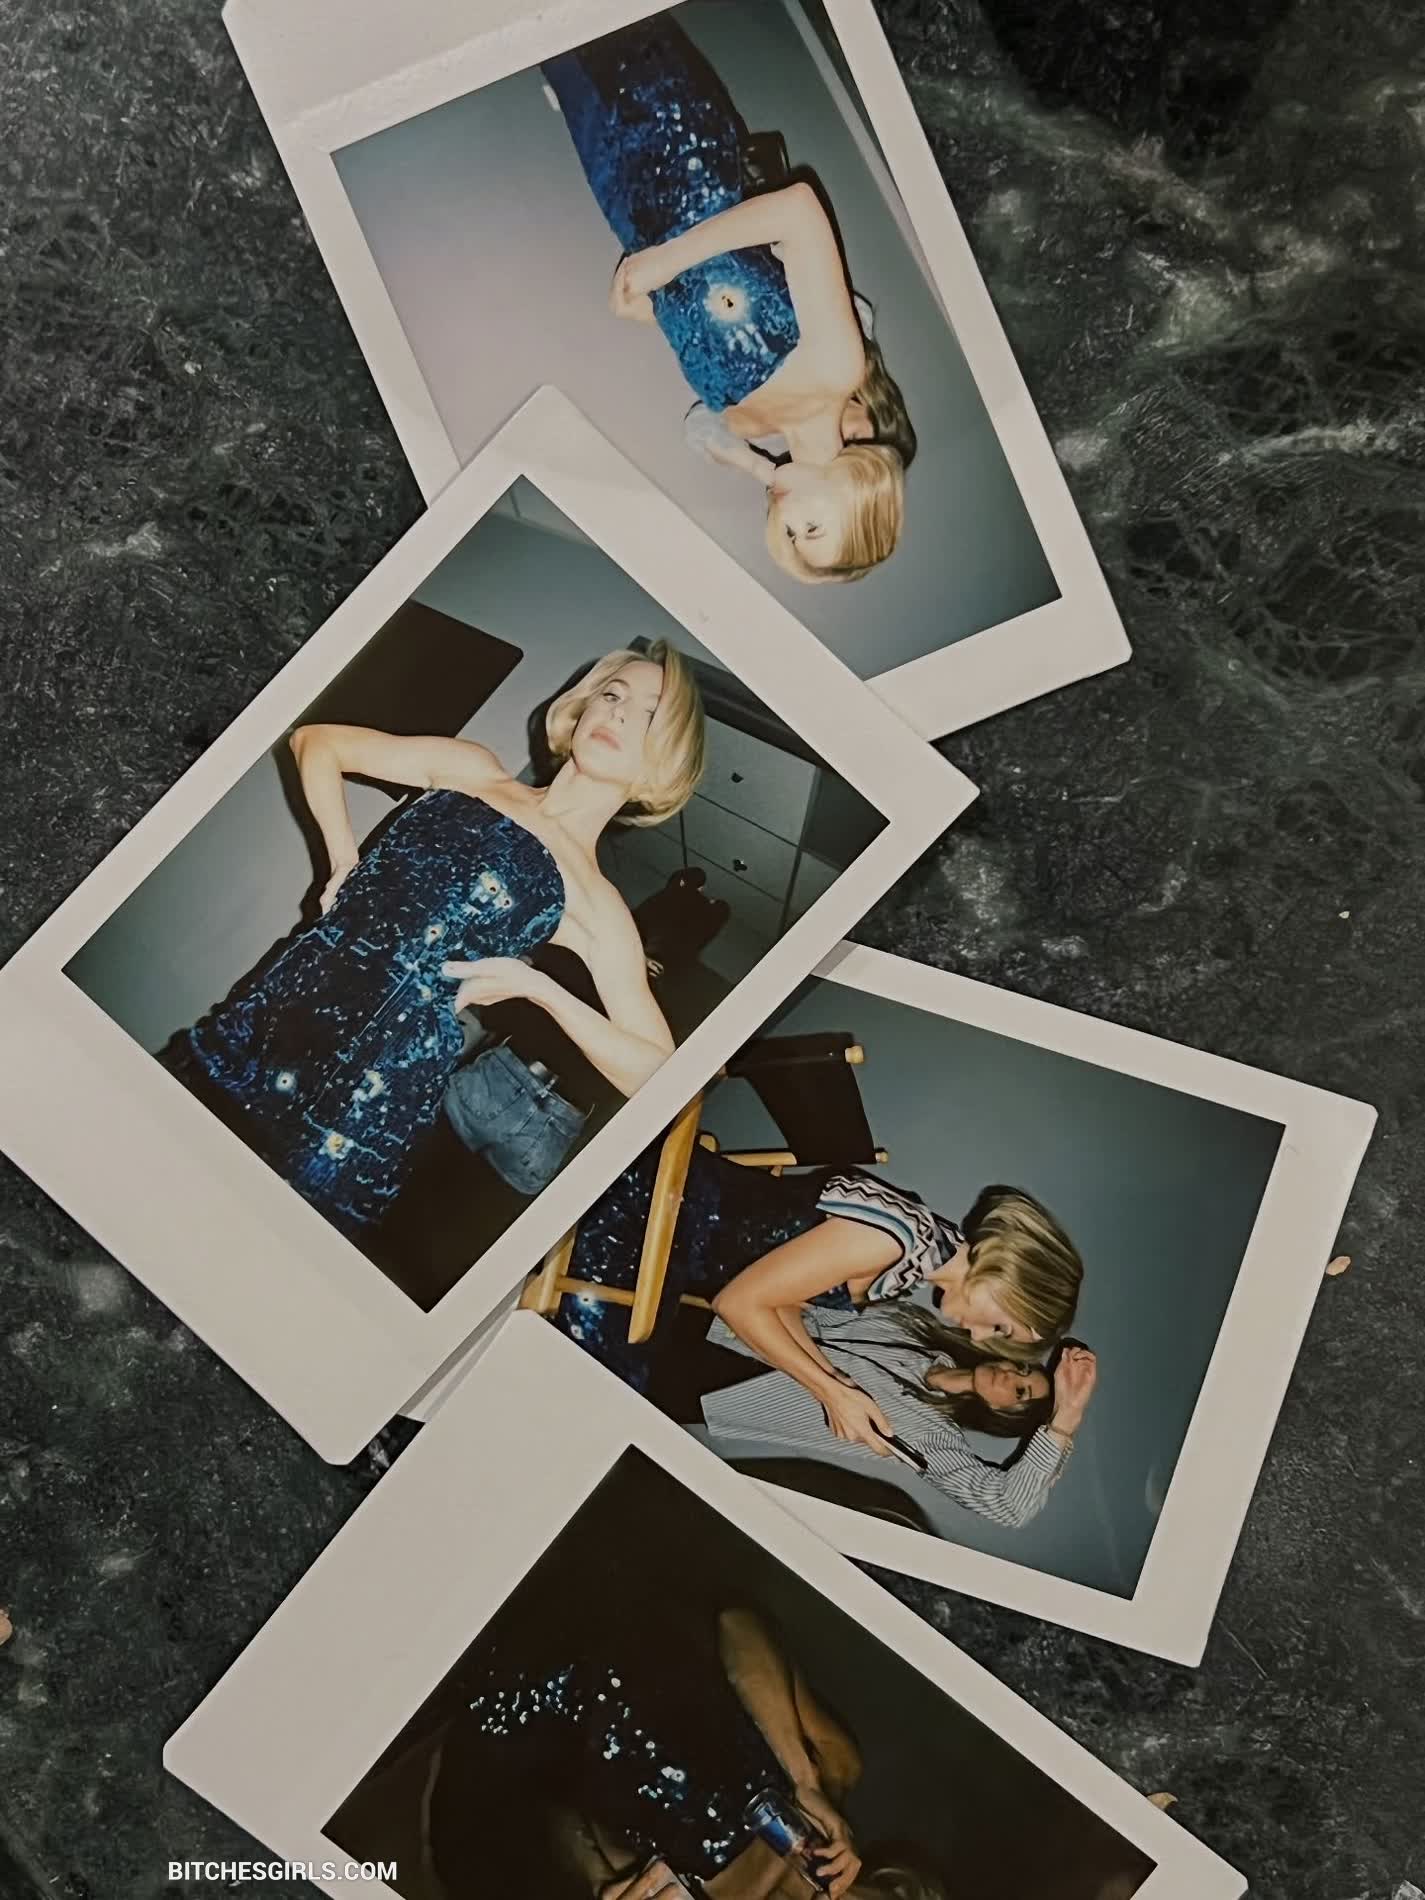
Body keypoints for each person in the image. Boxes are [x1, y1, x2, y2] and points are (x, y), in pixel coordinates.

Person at [158, 644, 705, 1238]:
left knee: (234, 1244)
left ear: (666, 760)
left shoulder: (595, 902)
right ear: (582, 707)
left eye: (648, 713)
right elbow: (316, 742)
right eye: (612, 694)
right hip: (268, 1027)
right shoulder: (472, 768)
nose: (618, 711)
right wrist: (343, 861)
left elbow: (659, 1076)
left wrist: (537, 987)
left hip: (363, 1110)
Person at [542, 16, 915, 585]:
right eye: (811, 529)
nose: (789, 521)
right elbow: (797, 210)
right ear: (858, 498)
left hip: (627, 205)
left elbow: (699, 317)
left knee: (548, 46)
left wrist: (640, 308)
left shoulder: (744, 422)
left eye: (791, 536)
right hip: (678, 148)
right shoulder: (840, 368)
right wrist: (669, 260)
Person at [427, 1538, 947, 1900]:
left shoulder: (705, 1895)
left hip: (501, 1700)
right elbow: (738, 1625)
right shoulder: (834, 1768)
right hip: (586, 1598)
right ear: (896, 1889)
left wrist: (598, 1882)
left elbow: (556, 1814)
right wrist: (803, 1780)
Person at [696, 1307, 1098, 1530]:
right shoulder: (915, 1330)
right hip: (724, 1322)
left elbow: (1007, 1505)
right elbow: (820, 1316)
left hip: (719, 1386)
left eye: (1020, 1392)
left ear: (1003, 1414)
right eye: (1023, 1369)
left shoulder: (932, 1436)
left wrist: (1065, 1420)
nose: (1011, 1376)